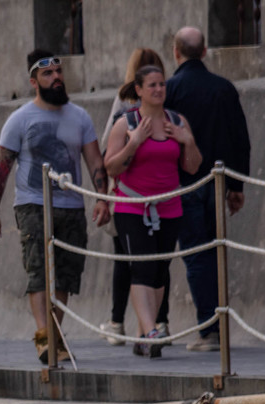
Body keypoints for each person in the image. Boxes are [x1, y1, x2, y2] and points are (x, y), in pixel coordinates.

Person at [0, 51, 110, 366]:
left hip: (71, 204)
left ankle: (53, 334)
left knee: (66, 275)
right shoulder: (20, 119)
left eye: (58, 71)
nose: (55, 77)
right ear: (34, 81)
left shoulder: (80, 117)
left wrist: (102, 197)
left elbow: (95, 161)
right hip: (33, 204)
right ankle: (45, 335)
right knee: (40, 271)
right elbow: (2, 168)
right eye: (47, 74)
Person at [105, 65, 200, 359]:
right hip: (132, 207)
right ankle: (150, 333)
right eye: (152, 85)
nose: (158, 90)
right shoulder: (126, 123)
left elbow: (193, 166)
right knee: (142, 268)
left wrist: (188, 141)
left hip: (169, 207)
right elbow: (111, 166)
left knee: (160, 271)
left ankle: (144, 333)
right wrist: (134, 143)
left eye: (162, 84)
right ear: (139, 90)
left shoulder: (177, 121)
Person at [167, 25, 251, 352]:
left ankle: (209, 329)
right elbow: (239, 140)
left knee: (196, 256)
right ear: (204, 52)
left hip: (183, 183)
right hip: (216, 183)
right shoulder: (224, 88)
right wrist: (236, 185)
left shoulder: (171, 89)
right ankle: (217, 325)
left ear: (176, 52)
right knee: (214, 251)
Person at [99, 47, 169, 346]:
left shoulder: (127, 105)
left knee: (130, 262)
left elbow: (105, 152)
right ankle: (157, 324)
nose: (156, 89)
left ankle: (122, 323)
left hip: (134, 198)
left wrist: (103, 197)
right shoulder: (132, 113)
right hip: (141, 198)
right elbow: (110, 157)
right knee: (153, 264)